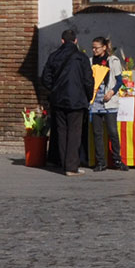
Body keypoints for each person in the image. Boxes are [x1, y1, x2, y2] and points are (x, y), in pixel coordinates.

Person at [39, 27, 95, 175]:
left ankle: (64, 164)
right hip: (77, 100)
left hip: (58, 100)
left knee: (61, 131)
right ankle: (71, 167)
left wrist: (54, 89)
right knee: (74, 133)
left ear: (62, 41)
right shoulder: (81, 57)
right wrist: (88, 96)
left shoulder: (53, 56)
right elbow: (88, 80)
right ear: (76, 41)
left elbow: (45, 78)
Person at [88, 36, 126, 171]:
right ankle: (100, 162)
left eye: (96, 47)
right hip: (95, 100)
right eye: (92, 47)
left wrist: (111, 92)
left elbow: (120, 81)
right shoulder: (90, 61)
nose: (94, 50)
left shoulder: (113, 61)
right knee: (97, 133)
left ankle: (117, 160)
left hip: (109, 98)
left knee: (112, 132)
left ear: (104, 47)